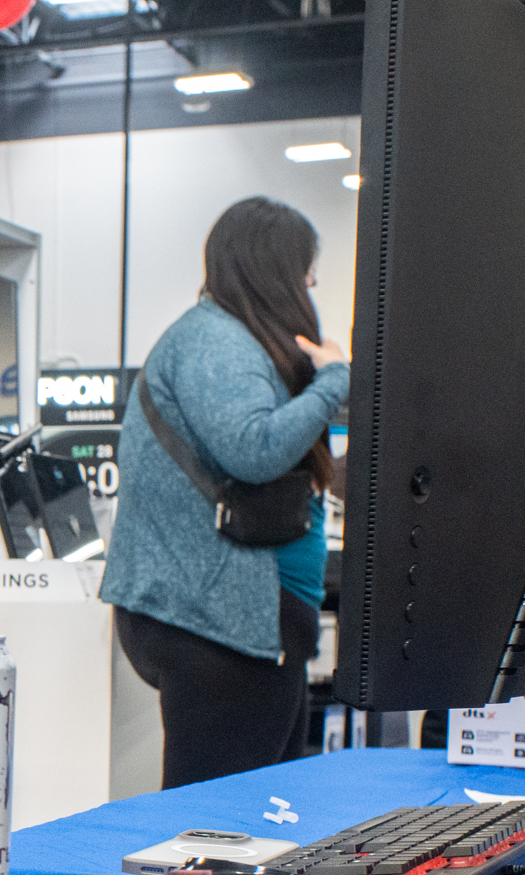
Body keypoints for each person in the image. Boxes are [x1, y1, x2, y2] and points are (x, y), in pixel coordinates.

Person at [101, 196, 350, 788]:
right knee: (217, 830)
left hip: (237, 620)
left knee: (261, 812)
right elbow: (255, 448)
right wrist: (335, 380)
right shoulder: (216, 342)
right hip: (216, 622)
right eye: (304, 266)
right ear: (272, 268)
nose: (311, 281)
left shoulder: (225, 338)